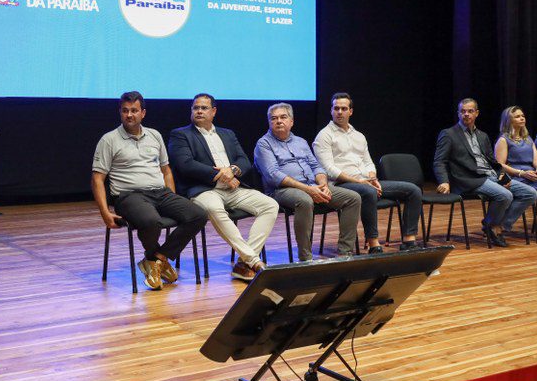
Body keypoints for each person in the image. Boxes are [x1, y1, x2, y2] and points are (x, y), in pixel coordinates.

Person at [91, 91, 207, 291]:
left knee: (199, 214)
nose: (129, 115)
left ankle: (156, 259)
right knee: (151, 221)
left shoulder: (154, 135)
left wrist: (171, 195)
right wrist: (104, 212)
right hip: (129, 196)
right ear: (120, 112)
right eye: (125, 111)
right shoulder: (109, 140)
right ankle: (156, 259)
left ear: (142, 113)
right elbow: (97, 179)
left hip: (160, 192)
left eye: (134, 111)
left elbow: (166, 170)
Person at [168, 94, 278, 281]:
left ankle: (244, 264)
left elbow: (244, 161)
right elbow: (185, 164)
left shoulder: (227, 134)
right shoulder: (181, 134)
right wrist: (222, 176)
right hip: (204, 189)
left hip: (234, 189)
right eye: (196, 108)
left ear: (214, 111)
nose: (199, 111)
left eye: (204, 108)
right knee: (213, 208)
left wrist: (232, 170)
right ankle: (252, 260)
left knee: (270, 205)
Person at [313, 92, 422, 252]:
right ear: (331, 111)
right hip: (342, 184)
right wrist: (361, 182)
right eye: (336, 108)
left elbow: (368, 162)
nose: (340, 112)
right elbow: (329, 169)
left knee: (413, 190)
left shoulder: (359, 136)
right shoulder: (324, 136)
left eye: (344, 108)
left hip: (366, 182)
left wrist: (372, 177)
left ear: (351, 111)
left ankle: (408, 241)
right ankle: (374, 244)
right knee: (368, 192)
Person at [254, 102, 361, 261]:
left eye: (283, 117)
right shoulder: (263, 144)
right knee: (304, 201)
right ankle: (306, 258)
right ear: (269, 122)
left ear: (292, 121)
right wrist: (308, 189)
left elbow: (316, 166)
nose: (278, 121)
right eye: (273, 118)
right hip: (281, 191)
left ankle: (345, 253)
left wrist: (323, 184)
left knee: (353, 198)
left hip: (313, 186)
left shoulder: (301, 142)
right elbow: (273, 175)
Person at [433, 98, 537, 246]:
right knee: (505, 195)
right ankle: (492, 226)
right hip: (469, 179)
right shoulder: (449, 134)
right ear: (458, 113)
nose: (466, 114)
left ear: (477, 113)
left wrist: (502, 175)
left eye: (470, 111)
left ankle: (497, 225)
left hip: (490, 176)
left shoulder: (482, 136)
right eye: (463, 111)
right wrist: (444, 181)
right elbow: (439, 161)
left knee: (530, 193)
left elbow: (492, 161)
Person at [494, 106, 537, 192]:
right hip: (517, 177)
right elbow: (500, 165)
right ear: (509, 121)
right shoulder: (503, 140)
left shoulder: (528, 138)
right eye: (517, 117)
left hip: (532, 175)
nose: (522, 118)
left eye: (523, 116)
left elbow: (536, 160)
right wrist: (521, 173)